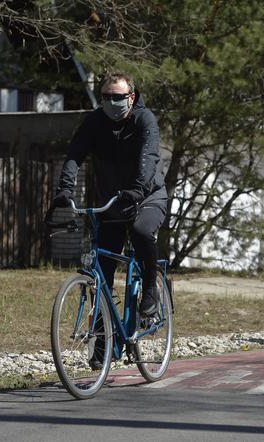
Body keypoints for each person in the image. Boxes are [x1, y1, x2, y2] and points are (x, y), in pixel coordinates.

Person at [53, 72, 168, 321]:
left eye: (117, 97)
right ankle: (103, 333)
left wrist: (138, 189)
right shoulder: (94, 122)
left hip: (147, 196)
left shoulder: (144, 120)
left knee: (140, 231)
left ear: (131, 97)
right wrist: (64, 188)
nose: (111, 102)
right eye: (106, 97)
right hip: (112, 201)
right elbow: (75, 154)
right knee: (101, 270)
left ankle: (150, 287)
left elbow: (148, 160)